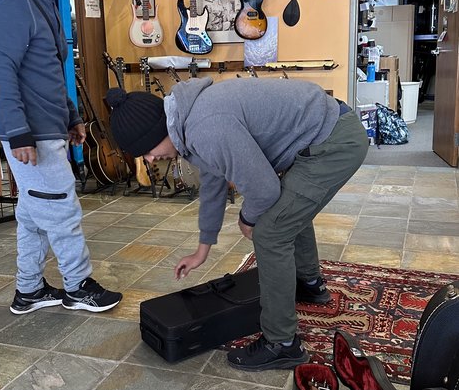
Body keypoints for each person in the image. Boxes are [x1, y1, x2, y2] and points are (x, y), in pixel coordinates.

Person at [106, 77, 368, 371]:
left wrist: (247, 218)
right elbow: (214, 183)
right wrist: (203, 248)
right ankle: (309, 285)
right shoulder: (189, 118)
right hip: (328, 131)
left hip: (333, 143)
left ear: (158, 130)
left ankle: (282, 344)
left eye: (147, 149)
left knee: (270, 232)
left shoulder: (206, 127)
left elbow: (264, 189)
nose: (150, 158)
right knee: (286, 211)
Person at [0, 0, 122, 315]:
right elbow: (2, 71)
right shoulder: (15, 2)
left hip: (48, 127)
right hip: (29, 133)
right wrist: (17, 132)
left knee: (33, 215)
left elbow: (49, 71)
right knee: (62, 209)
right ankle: (78, 286)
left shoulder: (44, 0)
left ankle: (28, 290)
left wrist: (72, 117)